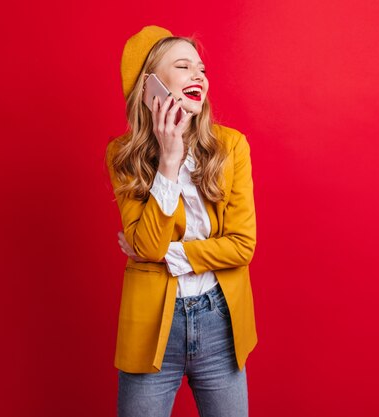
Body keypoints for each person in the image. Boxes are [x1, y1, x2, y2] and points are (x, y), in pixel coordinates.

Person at [105, 25, 258, 417]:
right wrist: (169, 162)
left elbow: (242, 246)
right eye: (184, 66)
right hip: (152, 326)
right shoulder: (123, 156)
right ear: (151, 86)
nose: (199, 76)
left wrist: (167, 254)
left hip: (219, 322)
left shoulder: (232, 147)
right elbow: (148, 247)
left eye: (201, 70)